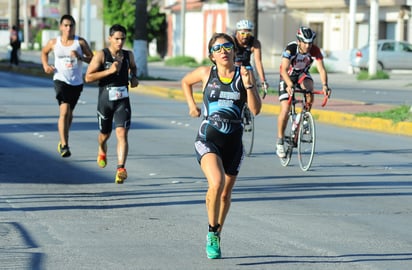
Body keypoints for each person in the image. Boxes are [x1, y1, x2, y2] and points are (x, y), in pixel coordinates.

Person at [181, 32, 261, 259]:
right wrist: (192, 105)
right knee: (216, 182)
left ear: (234, 50)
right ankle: (211, 233)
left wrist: (250, 85)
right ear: (211, 56)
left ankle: (216, 233)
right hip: (208, 138)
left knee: (224, 195)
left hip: (234, 142)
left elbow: (255, 110)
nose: (223, 51)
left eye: (227, 46)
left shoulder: (244, 74)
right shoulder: (206, 73)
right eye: (217, 48)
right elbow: (186, 82)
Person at [85, 24, 139, 184]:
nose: (120, 42)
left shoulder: (129, 55)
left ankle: (121, 168)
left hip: (123, 100)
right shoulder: (102, 55)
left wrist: (133, 78)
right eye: (116, 39)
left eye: (122, 39)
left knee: (122, 133)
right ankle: (102, 148)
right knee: (104, 135)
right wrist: (109, 71)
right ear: (110, 39)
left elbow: (134, 69)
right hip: (105, 101)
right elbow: (88, 77)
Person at [41, 14, 93, 158]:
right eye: (65, 25)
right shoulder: (54, 42)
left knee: (69, 113)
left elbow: (93, 59)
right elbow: (44, 52)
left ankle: (63, 138)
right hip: (60, 79)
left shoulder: (80, 43)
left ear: (74, 27)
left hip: (76, 82)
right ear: (61, 27)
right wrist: (46, 65)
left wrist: (80, 57)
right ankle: (64, 145)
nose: (68, 28)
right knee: (64, 111)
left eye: (71, 25)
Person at [276, 26, 331, 158]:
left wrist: (325, 85)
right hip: (287, 76)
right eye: (305, 42)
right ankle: (279, 141)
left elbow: (321, 69)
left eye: (310, 43)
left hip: (301, 75)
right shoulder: (291, 49)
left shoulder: (315, 50)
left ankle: (305, 117)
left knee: (309, 89)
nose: (308, 46)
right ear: (299, 41)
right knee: (285, 108)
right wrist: (289, 85)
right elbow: (283, 69)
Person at [233, 19, 268, 92]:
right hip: (233, 65)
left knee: (251, 79)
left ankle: (251, 94)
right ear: (237, 32)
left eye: (248, 34)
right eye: (243, 33)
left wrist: (263, 80)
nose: (245, 36)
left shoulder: (255, 42)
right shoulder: (232, 40)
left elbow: (258, 61)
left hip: (246, 66)